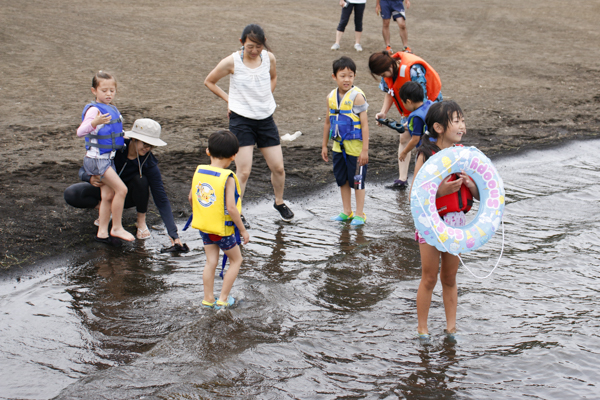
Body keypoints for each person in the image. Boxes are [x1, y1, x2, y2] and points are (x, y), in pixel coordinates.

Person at [204, 23, 294, 228]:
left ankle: (279, 202)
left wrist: (266, 95)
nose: (254, 51)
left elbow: (273, 76)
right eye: (250, 46)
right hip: (241, 120)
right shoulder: (231, 61)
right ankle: (236, 210)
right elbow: (209, 81)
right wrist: (230, 100)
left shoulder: (269, 58)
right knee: (243, 171)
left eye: (259, 46)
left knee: (278, 167)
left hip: (265, 119)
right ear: (242, 43)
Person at [410, 100, 479, 341]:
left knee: (449, 277)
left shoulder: (465, 155)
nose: (462, 125)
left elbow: (481, 195)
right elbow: (415, 194)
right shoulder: (426, 154)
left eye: (463, 120)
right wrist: (440, 192)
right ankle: (422, 328)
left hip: (455, 222)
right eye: (456, 121)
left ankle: (451, 328)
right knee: (429, 277)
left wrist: (471, 185)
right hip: (430, 223)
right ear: (438, 127)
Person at [64, 118, 185, 249]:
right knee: (72, 193)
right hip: (107, 193)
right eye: (145, 144)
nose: (147, 148)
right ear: (134, 139)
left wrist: (174, 235)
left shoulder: (149, 162)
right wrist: (89, 178)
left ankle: (141, 222)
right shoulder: (113, 149)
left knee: (141, 180)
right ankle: (107, 210)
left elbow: (161, 199)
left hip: (129, 197)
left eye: (151, 145)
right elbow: (84, 169)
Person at [189, 130, 249, 310]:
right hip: (223, 230)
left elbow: (192, 198)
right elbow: (231, 208)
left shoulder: (200, 171)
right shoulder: (228, 178)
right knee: (236, 260)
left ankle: (208, 299)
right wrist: (243, 230)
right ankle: (222, 299)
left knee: (211, 262)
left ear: (208, 151)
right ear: (234, 155)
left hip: (205, 227)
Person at [368, 50, 442, 189]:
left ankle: (432, 178)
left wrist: (413, 121)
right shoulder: (388, 73)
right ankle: (402, 180)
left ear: (390, 66)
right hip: (411, 109)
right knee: (404, 138)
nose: (383, 77)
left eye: (383, 74)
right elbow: (390, 92)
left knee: (427, 141)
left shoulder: (413, 69)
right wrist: (383, 112)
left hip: (429, 106)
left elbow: (423, 98)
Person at [77, 71, 135, 242]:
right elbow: (80, 132)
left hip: (106, 158)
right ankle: (116, 227)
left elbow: (110, 132)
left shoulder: (112, 109)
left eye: (112, 90)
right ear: (94, 91)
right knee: (122, 190)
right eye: (104, 90)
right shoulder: (94, 110)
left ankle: (102, 232)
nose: (109, 94)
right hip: (97, 160)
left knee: (107, 196)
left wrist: (122, 137)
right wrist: (94, 122)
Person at [321, 56, 370, 226]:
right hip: (338, 147)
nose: (347, 79)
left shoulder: (358, 97)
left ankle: (359, 214)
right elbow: (328, 122)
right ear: (334, 77)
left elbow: (364, 125)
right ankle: (347, 212)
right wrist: (324, 146)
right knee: (342, 180)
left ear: (354, 76)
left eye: (350, 75)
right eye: (343, 75)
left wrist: (365, 150)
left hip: (356, 149)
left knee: (357, 181)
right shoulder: (330, 97)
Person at [397, 81, 433, 165]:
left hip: (426, 152)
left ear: (409, 102)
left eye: (403, 102)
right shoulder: (430, 105)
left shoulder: (416, 117)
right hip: (438, 147)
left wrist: (404, 152)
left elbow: (415, 139)